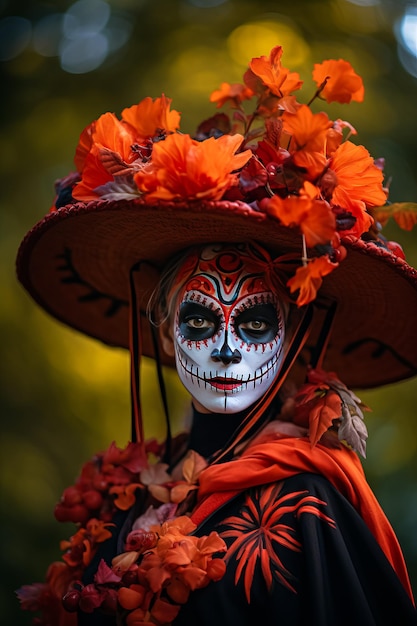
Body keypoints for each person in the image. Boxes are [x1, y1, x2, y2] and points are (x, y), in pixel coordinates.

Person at [16, 45, 417, 625]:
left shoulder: (306, 505)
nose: (227, 347)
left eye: (255, 322)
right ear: (165, 332)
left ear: (294, 340)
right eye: (200, 321)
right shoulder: (119, 495)